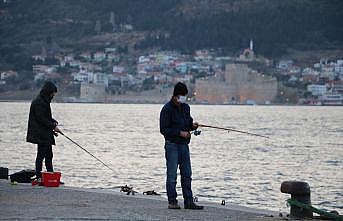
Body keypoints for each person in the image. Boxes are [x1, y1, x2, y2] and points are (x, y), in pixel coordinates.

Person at [159, 82, 204, 210]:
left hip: (184, 146)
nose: (183, 98)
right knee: (172, 176)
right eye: (181, 95)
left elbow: (188, 123)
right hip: (172, 145)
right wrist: (180, 133)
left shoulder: (186, 108)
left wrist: (192, 126)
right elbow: (163, 129)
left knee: (187, 175)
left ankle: (189, 202)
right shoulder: (167, 109)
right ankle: (172, 202)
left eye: (185, 95)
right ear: (175, 96)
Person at [27, 81, 61, 183]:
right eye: (53, 93)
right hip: (40, 134)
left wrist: (53, 123)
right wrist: (53, 126)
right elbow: (41, 119)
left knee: (49, 155)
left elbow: (46, 118)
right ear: (48, 92)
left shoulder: (44, 101)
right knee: (41, 155)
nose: (54, 95)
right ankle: (39, 176)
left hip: (45, 133)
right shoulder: (39, 102)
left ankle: (51, 177)